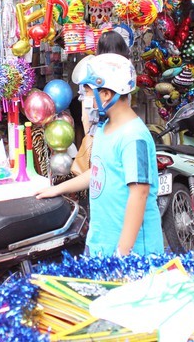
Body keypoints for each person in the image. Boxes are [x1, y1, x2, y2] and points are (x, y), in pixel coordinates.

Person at [36, 54, 163, 257]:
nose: (83, 99)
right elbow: (98, 171)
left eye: (87, 92)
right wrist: (57, 189)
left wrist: (123, 252)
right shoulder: (104, 129)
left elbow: (139, 194)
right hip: (101, 243)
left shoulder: (133, 137)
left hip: (133, 253)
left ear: (105, 94)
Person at [72, 30, 131, 175]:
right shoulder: (126, 73)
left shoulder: (92, 73)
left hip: (97, 134)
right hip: (116, 130)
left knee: (98, 175)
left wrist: (88, 139)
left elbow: (85, 116)